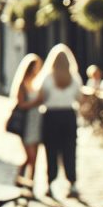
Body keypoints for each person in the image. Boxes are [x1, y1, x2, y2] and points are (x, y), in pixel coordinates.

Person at [35, 44, 84, 198]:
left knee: (51, 151)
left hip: (51, 116)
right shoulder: (74, 78)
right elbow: (79, 98)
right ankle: (72, 183)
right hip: (68, 115)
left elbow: (41, 98)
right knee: (69, 150)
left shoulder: (48, 78)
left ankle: (50, 183)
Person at [8, 53, 44, 179]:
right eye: (36, 67)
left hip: (37, 122)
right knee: (30, 157)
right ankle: (19, 179)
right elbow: (21, 104)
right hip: (26, 123)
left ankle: (30, 183)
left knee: (35, 158)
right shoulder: (22, 85)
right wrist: (37, 102)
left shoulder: (37, 84)